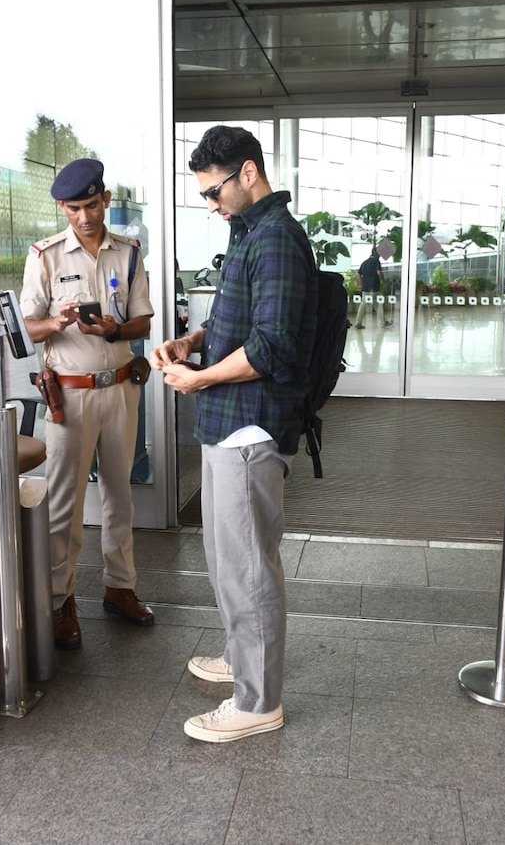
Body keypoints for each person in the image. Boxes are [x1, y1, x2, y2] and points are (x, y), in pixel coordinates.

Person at [149, 126, 317, 743]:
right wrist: (189, 344)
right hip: (225, 421)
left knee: (249, 567)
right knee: (225, 559)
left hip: (249, 425)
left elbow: (272, 346)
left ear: (248, 172)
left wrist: (198, 381)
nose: (211, 204)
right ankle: (240, 657)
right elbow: (228, 321)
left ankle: (258, 700)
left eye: (214, 191)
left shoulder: (276, 239)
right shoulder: (247, 232)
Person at [20, 158, 155, 650]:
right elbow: (26, 327)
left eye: (92, 205)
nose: (84, 217)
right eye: (74, 208)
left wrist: (114, 329)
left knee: (121, 497)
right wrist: (56, 322)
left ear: (106, 201)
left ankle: (120, 588)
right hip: (69, 396)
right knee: (65, 505)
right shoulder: (46, 256)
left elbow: (142, 322)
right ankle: (60, 602)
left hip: (120, 388)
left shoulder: (130, 253)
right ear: (62, 207)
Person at [354, 245, 392, 329]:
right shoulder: (376, 262)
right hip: (374, 287)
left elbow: (358, 274)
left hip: (365, 287)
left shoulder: (365, 262)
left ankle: (358, 322)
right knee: (376, 304)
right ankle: (382, 322)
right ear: (377, 254)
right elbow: (379, 272)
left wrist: (361, 284)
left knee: (364, 304)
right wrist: (384, 282)